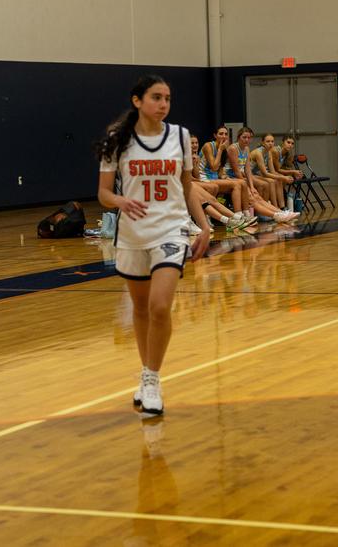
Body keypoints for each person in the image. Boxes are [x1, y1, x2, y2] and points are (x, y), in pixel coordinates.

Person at [95, 75, 210, 418]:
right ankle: (146, 372)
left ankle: (152, 379)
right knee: (141, 309)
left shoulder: (180, 136)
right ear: (137, 101)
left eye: (167, 98)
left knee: (160, 306)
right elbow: (103, 193)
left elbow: (187, 187)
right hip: (133, 234)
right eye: (156, 97)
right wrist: (120, 201)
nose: (163, 104)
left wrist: (204, 226)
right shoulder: (118, 140)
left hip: (171, 230)